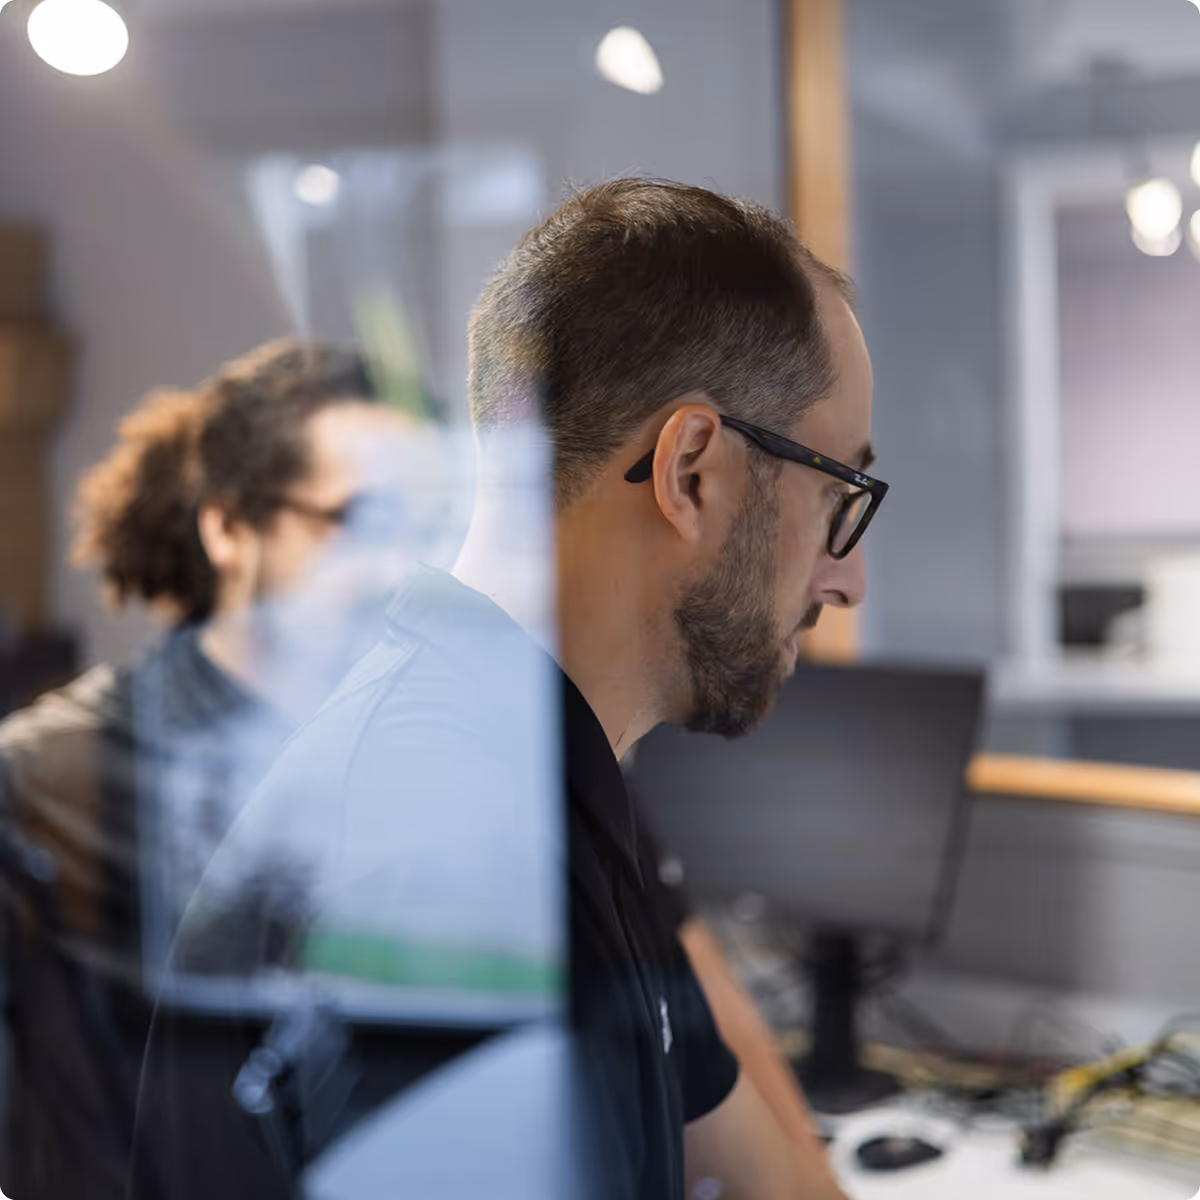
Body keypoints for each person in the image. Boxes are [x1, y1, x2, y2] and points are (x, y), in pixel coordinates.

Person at [137, 178, 882, 1199]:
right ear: (693, 471)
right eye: (839, 494)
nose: (848, 578)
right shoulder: (445, 868)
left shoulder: (551, 770)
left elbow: (757, 1161)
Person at [0, 339, 422, 1200]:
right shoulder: (47, 778)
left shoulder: (439, 758)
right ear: (229, 526)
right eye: (363, 522)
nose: (403, 569)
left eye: (425, 527)